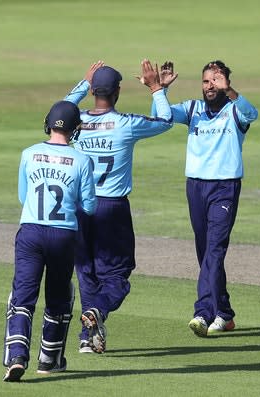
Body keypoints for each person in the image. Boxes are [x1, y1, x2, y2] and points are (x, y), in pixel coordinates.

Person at [63, 59, 173, 353]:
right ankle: (98, 310)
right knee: (118, 275)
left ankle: (87, 338)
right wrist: (155, 88)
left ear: (93, 91)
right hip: (111, 208)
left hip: (79, 208)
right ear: (118, 92)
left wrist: (81, 85)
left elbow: (57, 113)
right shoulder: (126, 124)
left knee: (86, 271)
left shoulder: (77, 122)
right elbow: (165, 120)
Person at [152, 60, 258, 337]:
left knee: (214, 250)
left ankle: (203, 312)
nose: (210, 86)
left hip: (224, 187)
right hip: (196, 187)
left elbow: (253, 113)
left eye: (215, 81)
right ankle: (224, 313)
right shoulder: (193, 109)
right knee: (205, 252)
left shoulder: (235, 109)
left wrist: (231, 90)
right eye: (206, 81)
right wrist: (160, 90)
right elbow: (161, 117)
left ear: (225, 83)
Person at [2, 101, 97, 381]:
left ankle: (17, 356)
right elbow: (90, 207)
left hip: (31, 233)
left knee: (22, 296)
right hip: (64, 235)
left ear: (49, 123)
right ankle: (49, 360)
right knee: (59, 297)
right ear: (74, 129)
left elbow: (23, 196)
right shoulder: (82, 160)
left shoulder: (29, 153)